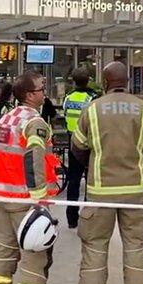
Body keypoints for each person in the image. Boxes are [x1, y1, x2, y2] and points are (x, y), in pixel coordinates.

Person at [71, 62, 143, 284]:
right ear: (127, 81)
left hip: (101, 191)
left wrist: (95, 164)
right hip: (137, 190)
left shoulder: (92, 109)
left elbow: (78, 147)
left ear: (105, 81)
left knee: (95, 247)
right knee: (136, 247)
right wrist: (138, 162)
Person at [0, 71, 62, 284]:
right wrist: (39, 197)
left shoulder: (7, 118)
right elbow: (34, 158)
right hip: (24, 197)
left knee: (5, 248)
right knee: (34, 253)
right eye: (42, 88)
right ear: (30, 95)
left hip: (3, 194)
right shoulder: (34, 122)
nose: (45, 92)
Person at [62, 67, 96, 229]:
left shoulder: (68, 98)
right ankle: (88, 217)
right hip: (89, 145)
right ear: (88, 80)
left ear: (73, 81)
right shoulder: (92, 98)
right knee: (90, 181)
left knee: (73, 181)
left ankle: (71, 218)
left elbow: (65, 115)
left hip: (72, 143)